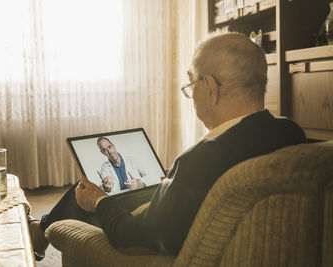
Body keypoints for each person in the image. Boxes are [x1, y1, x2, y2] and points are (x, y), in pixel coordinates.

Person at [29, 31, 306, 260]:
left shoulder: (201, 159)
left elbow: (133, 236)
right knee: (107, 191)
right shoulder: (291, 133)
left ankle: (41, 232)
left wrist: (100, 201)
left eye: (191, 83)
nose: (191, 94)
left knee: (91, 197)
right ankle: (39, 229)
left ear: (209, 86)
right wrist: (173, 188)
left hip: (164, 250)